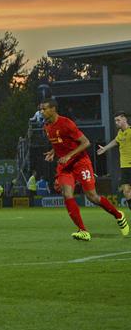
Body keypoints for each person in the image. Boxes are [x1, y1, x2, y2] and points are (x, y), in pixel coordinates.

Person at [40, 98, 128, 240]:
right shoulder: (47, 126)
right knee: (67, 194)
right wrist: (53, 152)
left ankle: (118, 215)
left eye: (44, 109)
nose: (41, 111)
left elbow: (86, 142)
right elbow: (60, 143)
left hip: (80, 162)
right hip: (65, 166)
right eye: (41, 109)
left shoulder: (66, 123)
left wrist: (68, 156)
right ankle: (83, 231)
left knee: (92, 197)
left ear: (53, 109)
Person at [96, 111, 131, 209]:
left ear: (124, 119)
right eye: (115, 120)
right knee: (126, 191)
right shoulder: (120, 133)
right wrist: (105, 148)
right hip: (125, 166)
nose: (116, 122)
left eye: (118, 120)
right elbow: (116, 141)